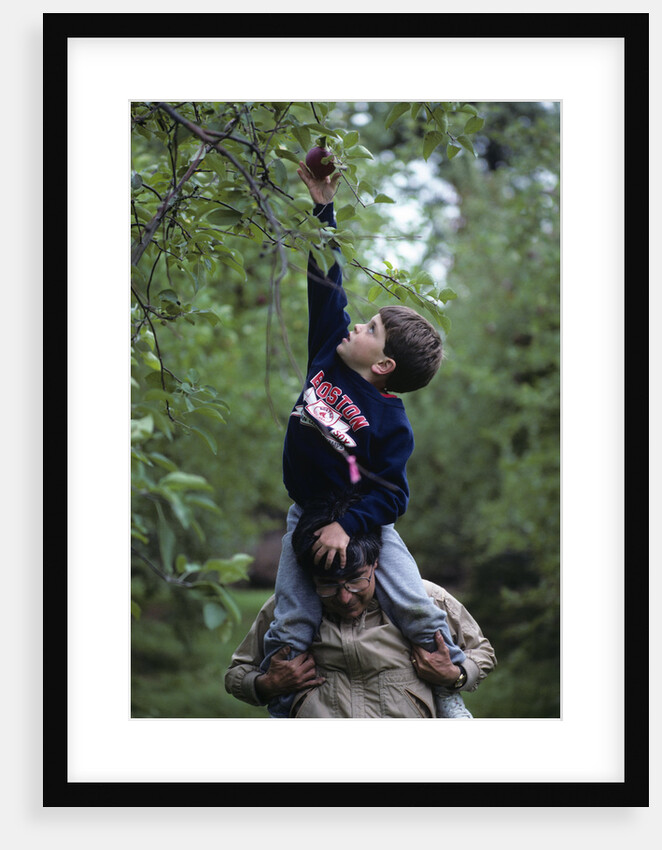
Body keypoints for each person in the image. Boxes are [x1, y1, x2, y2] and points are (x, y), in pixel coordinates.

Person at [261, 160, 470, 718]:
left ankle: (449, 698)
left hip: (362, 520)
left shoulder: (389, 421)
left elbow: (391, 496)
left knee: (412, 601)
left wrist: (346, 524)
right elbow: (327, 285)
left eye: (370, 329)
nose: (358, 326)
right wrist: (322, 202)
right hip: (304, 511)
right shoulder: (329, 352)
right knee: (293, 612)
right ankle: (283, 704)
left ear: (384, 365)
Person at [225, 498, 496, 718]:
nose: (345, 598)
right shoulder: (286, 610)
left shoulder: (426, 599)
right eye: (329, 585)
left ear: (376, 563)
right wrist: (266, 685)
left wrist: (456, 676)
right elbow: (237, 673)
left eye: (356, 581)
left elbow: (482, 651)